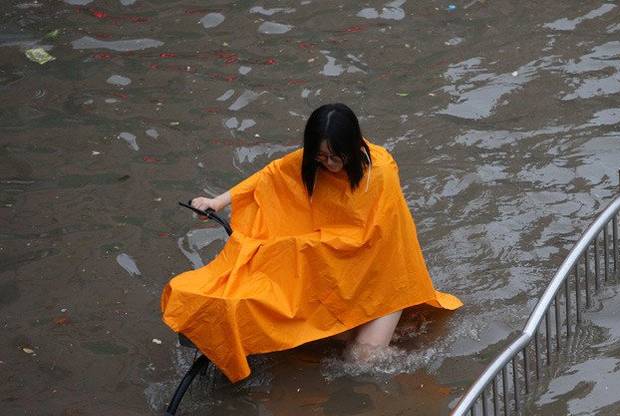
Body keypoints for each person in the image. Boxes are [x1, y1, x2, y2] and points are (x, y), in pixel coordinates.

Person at [161, 103, 461, 382]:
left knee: (363, 360)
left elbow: (373, 241)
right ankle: (376, 327)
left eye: (336, 157)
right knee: (310, 332)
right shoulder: (313, 162)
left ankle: (403, 332)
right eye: (321, 156)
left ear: (353, 147)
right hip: (338, 276)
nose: (328, 164)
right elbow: (270, 176)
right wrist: (217, 201)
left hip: (384, 280)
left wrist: (306, 246)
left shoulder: (380, 173)